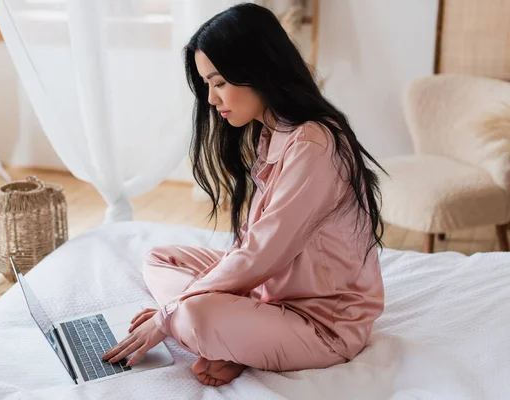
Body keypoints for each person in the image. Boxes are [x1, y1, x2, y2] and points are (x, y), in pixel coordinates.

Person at [102, 3, 386, 387]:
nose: (211, 99)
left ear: (257, 70)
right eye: (207, 85)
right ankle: (234, 340)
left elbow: (263, 253)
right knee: (160, 258)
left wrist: (166, 315)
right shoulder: (276, 132)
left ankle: (229, 338)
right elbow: (255, 250)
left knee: (192, 316)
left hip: (322, 326)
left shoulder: (314, 143)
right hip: (269, 295)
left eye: (219, 83)